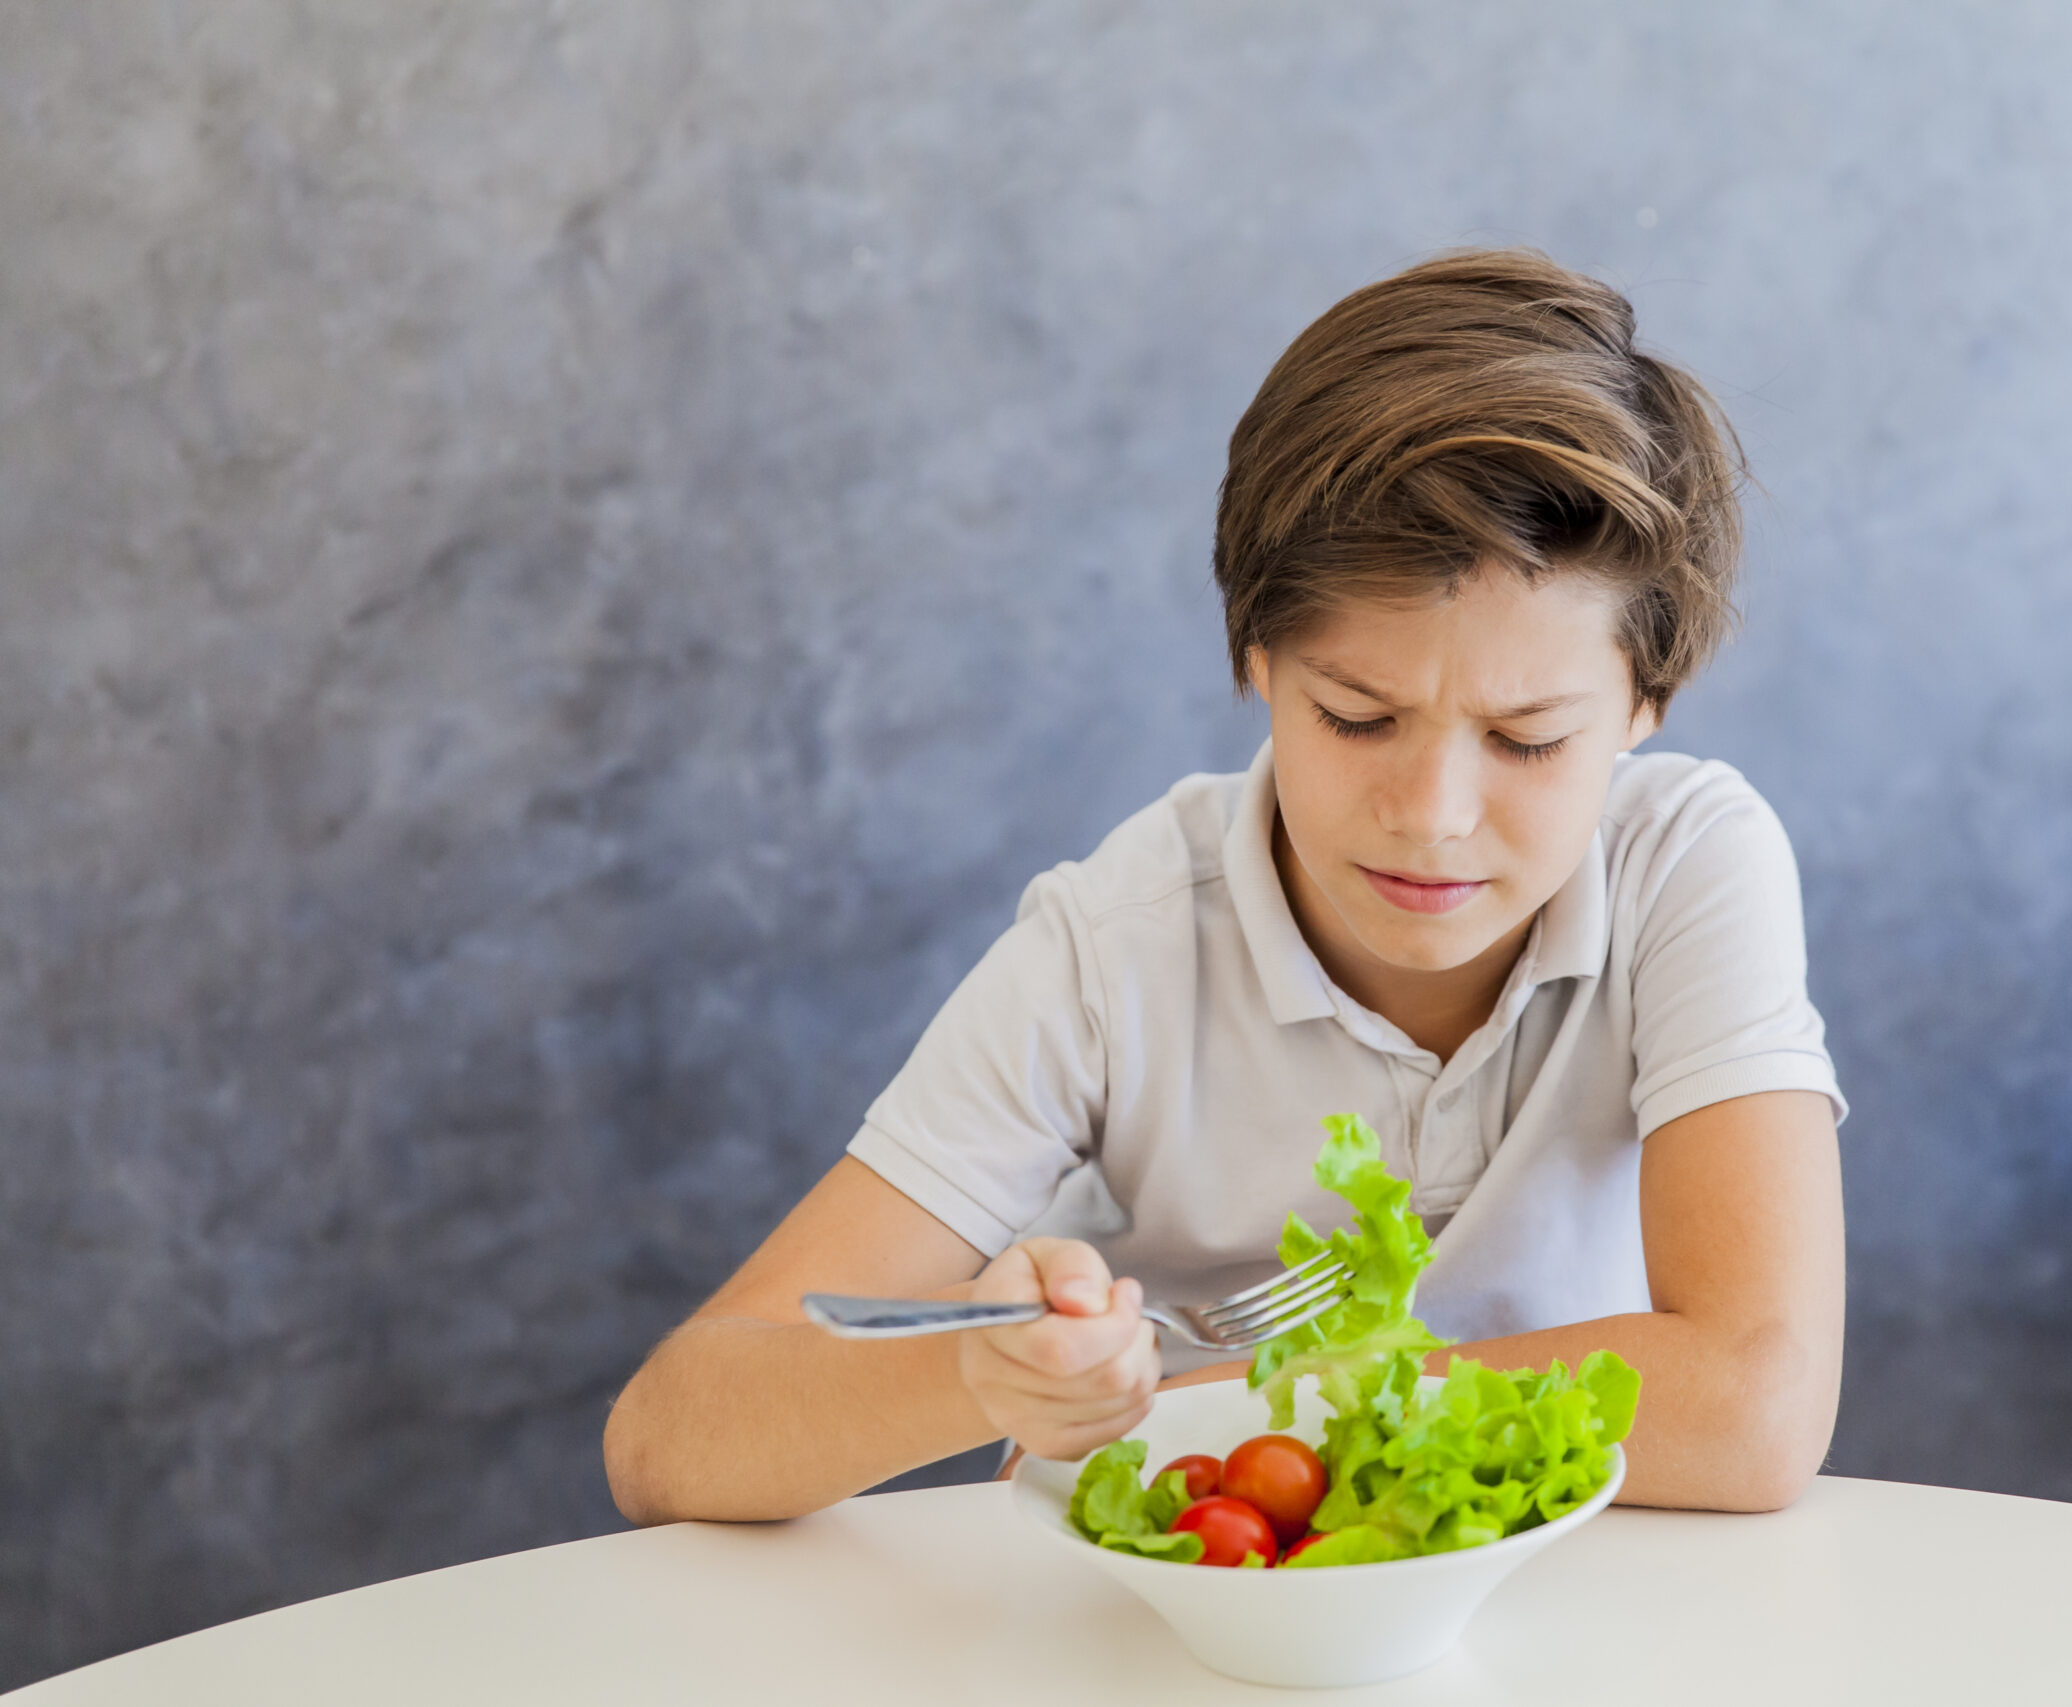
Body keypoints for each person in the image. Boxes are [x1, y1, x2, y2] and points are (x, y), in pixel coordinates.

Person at [603, 249, 1846, 1526]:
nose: (1432, 819)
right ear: (1255, 658)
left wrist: (1225, 1400)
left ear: (1648, 703)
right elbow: (671, 1440)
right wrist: (976, 1376)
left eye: (1528, 739)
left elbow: (1754, 1407)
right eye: (1356, 717)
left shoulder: (1683, 864)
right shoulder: (1117, 948)